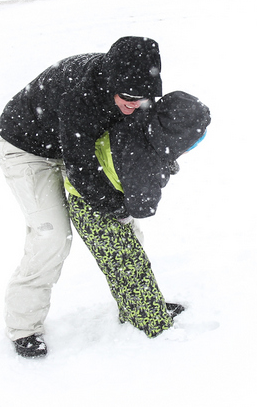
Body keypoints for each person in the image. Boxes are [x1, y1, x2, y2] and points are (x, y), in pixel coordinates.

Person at [0, 36, 163, 358]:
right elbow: (81, 167)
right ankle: (23, 328)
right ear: (112, 83)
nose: (134, 105)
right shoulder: (82, 94)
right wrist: (116, 205)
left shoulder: (137, 89)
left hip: (76, 144)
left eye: (142, 99)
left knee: (123, 229)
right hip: (28, 149)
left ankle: (142, 304)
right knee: (53, 236)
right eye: (127, 98)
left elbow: (142, 142)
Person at [64, 91, 211, 339]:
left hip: (93, 196)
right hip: (94, 208)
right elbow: (143, 205)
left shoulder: (141, 122)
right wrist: (162, 168)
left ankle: (140, 310)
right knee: (129, 268)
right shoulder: (145, 163)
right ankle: (153, 325)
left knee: (127, 261)